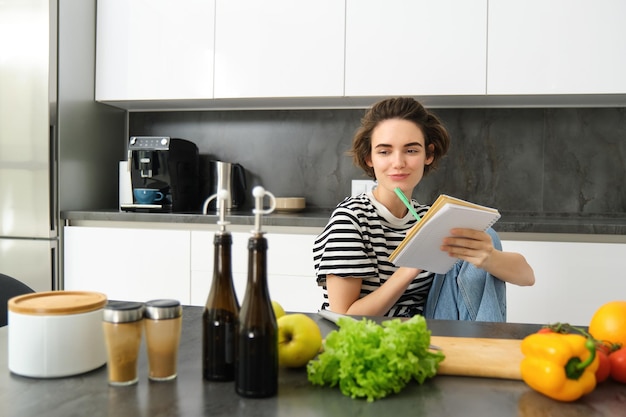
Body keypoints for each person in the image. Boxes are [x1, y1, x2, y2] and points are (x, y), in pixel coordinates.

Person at [313, 97, 535, 322]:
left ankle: (481, 344)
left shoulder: (430, 218)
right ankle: (483, 347)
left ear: (428, 155)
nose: (398, 162)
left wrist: (488, 258)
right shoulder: (351, 219)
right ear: (369, 157)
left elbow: (527, 277)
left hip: (423, 331)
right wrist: (411, 264)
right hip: (368, 335)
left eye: (410, 150)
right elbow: (343, 317)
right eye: (384, 152)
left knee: (482, 236)